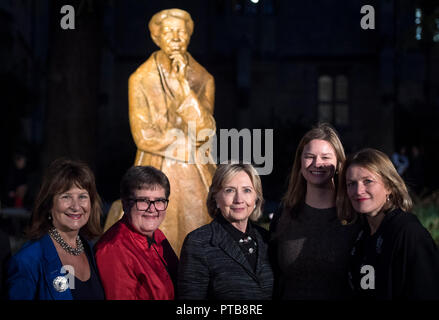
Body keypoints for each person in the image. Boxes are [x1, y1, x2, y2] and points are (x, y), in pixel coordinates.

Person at [104, 8, 216, 256]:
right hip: (156, 165)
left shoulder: (203, 78)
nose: (176, 38)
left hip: (196, 170)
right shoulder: (141, 78)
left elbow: (205, 130)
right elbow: (143, 135)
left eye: (181, 32)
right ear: (157, 38)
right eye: (169, 32)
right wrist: (181, 142)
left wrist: (185, 90)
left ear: (189, 36)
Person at [270, 123, 360, 300]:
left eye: (325, 157)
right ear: (300, 163)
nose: (317, 163)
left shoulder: (354, 215)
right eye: (309, 156)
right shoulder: (285, 213)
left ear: (339, 163)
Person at [337, 148, 439, 300]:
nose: (358, 191)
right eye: (351, 183)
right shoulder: (360, 235)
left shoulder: (409, 233)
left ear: (389, 186)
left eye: (368, 181)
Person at [7, 158, 104, 300]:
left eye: (82, 196)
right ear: (49, 204)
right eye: (66, 197)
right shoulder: (28, 261)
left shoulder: (92, 251)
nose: (76, 206)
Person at [178, 163, 273, 300]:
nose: (239, 200)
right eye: (230, 190)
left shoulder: (266, 239)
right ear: (216, 197)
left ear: (256, 198)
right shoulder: (199, 242)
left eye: (246, 190)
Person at [95, 166, 178, 300]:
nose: (152, 209)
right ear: (125, 204)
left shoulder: (157, 235)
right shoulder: (113, 249)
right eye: (144, 201)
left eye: (159, 201)